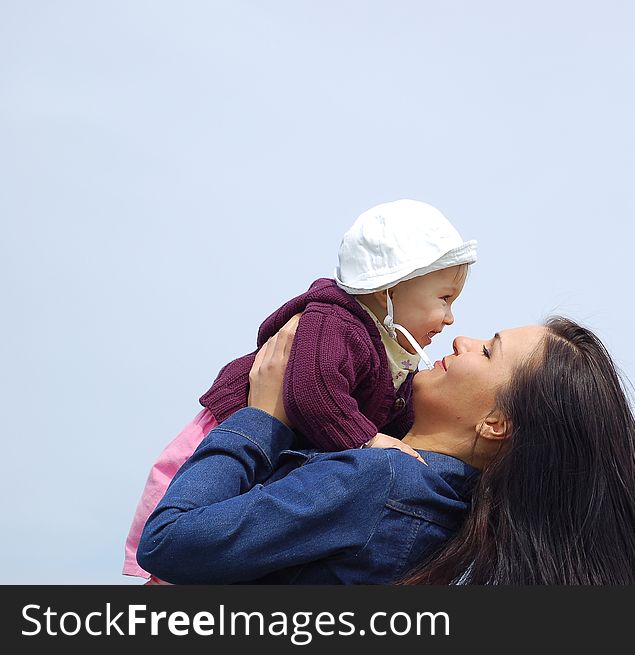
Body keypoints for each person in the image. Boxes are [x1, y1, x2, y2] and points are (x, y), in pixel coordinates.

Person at [137, 314, 635, 585]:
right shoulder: (444, 513)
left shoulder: (381, 482)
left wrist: (259, 418)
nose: (463, 339)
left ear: (497, 423)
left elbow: (169, 545)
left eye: (488, 351)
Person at [124, 199, 476, 581]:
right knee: (178, 553)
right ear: (388, 287)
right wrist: (369, 442)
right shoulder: (335, 322)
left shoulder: (391, 349)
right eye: (445, 298)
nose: (450, 318)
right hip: (222, 442)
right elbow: (312, 392)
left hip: (264, 448)